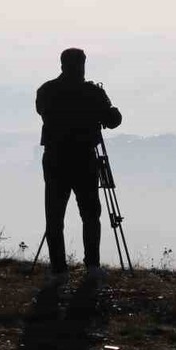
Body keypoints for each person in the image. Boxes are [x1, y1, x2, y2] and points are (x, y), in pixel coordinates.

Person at [35, 48, 122, 285]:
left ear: (62, 64)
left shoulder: (46, 91)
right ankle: (92, 266)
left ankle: (59, 270)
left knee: (54, 215)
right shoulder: (93, 92)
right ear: (82, 65)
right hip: (84, 159)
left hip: (55, 159)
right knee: (91, 213)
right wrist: (108, 107)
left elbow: (43, 113)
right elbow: (112, 121)